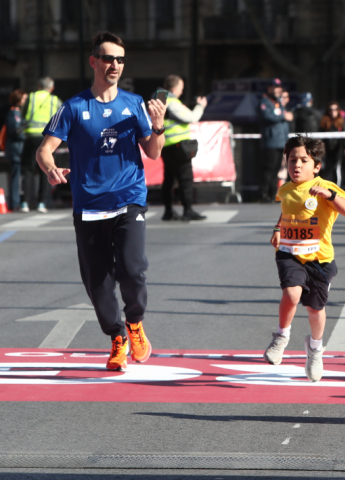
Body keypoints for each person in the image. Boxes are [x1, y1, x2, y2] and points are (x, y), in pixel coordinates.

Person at [36, 30, 167, 372]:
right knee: (98, 282)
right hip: (89, 205)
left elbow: (153, 153)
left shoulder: (133, 104)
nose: (114, 65)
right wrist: (50, 169)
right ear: (93, 61)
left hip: (129, 198)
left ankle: (135, 323)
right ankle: (117, 337)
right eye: (108, 58)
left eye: (120, 59)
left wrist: (158, 126)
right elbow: (44, 150)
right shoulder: (74, 107)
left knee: (132, 270)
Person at [264, 135, 345, 380]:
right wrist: (277, 228)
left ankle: (315, 349)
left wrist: (329, 195)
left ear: (316, 166)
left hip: (319, 259)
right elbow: (289, 213)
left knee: (315, 309)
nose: (297, 165)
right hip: (289, 253)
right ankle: (281, 336)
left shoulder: (326, 186)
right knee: (292, 293)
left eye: (304, 160)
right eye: (292, 159)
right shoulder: (285, 189)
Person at [158, 74, 207, 221]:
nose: (182, 92)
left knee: (169, 179)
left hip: (166, 145)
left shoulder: (160, 97)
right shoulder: (171, 100)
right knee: (185, 179)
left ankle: (168, 211)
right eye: (181, 88)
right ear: (174, 88)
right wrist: (200, 106)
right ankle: (188, 210)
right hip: (178, 145)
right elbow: (191, 117)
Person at [22, 77, 62, 213]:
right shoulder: (55, 100)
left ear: (39, 86)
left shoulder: (31, 97)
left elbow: (23, 114)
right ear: (52, 88)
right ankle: (41, 203)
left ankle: (25, 203)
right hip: (48, 137)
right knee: (47, 170)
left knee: (27, 169)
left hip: (30, 136)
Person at [260, 79, 293, 203]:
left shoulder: (278, 102)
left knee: (276, 169)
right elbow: (267, 116)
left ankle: (273, 194)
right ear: (269, 89)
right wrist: (283, 116)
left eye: (279, 87)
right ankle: (264, 194)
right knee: (269, 169)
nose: (278, 90)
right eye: (275, 87)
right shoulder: (265, 102)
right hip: (271, 142)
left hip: (281, 141)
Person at [4, 90, 27, 211]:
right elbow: (14, 132)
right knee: (15, 177)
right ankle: (14, 203)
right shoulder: (14, 113)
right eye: (23, 99)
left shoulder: (16, 113)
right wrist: (24, 128)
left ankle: (16, 202)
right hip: (15, 150)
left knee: (16, 176)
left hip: (16, 149)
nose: (25, 101)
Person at [319, 101, 345, 185]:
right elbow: (320, 137)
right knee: (325, 169)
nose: (333, 111)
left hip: (338, 149)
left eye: (335, 109)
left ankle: (338, 189)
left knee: (337, 168)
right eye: (331, 109)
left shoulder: (342, 122)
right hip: (326, 150)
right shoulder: (324, 122)